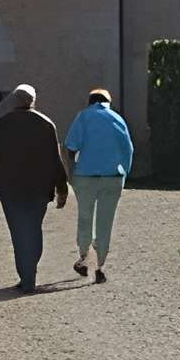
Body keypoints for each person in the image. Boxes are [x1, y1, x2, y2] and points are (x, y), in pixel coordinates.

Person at [0, 81, 69, 290]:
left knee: (18, 231)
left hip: (10, 187)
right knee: (33, 228)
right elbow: (54, 159)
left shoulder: (3, 123)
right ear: (33, 101)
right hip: (39, 187)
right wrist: (62, 187)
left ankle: (26, 275)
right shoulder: (46, 124)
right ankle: (30, 273)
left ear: (15, 100)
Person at [62, 86, 134, 284]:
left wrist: (72, 171)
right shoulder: (117, 119)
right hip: (112, 176)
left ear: (90, 101)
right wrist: (124, 173)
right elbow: (128, 149)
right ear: (108, 102)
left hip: (85, 175)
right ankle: (101, 264)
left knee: (85, 217)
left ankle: (84, 258)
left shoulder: (83, 117)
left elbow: (70, 147)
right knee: (106, 220)